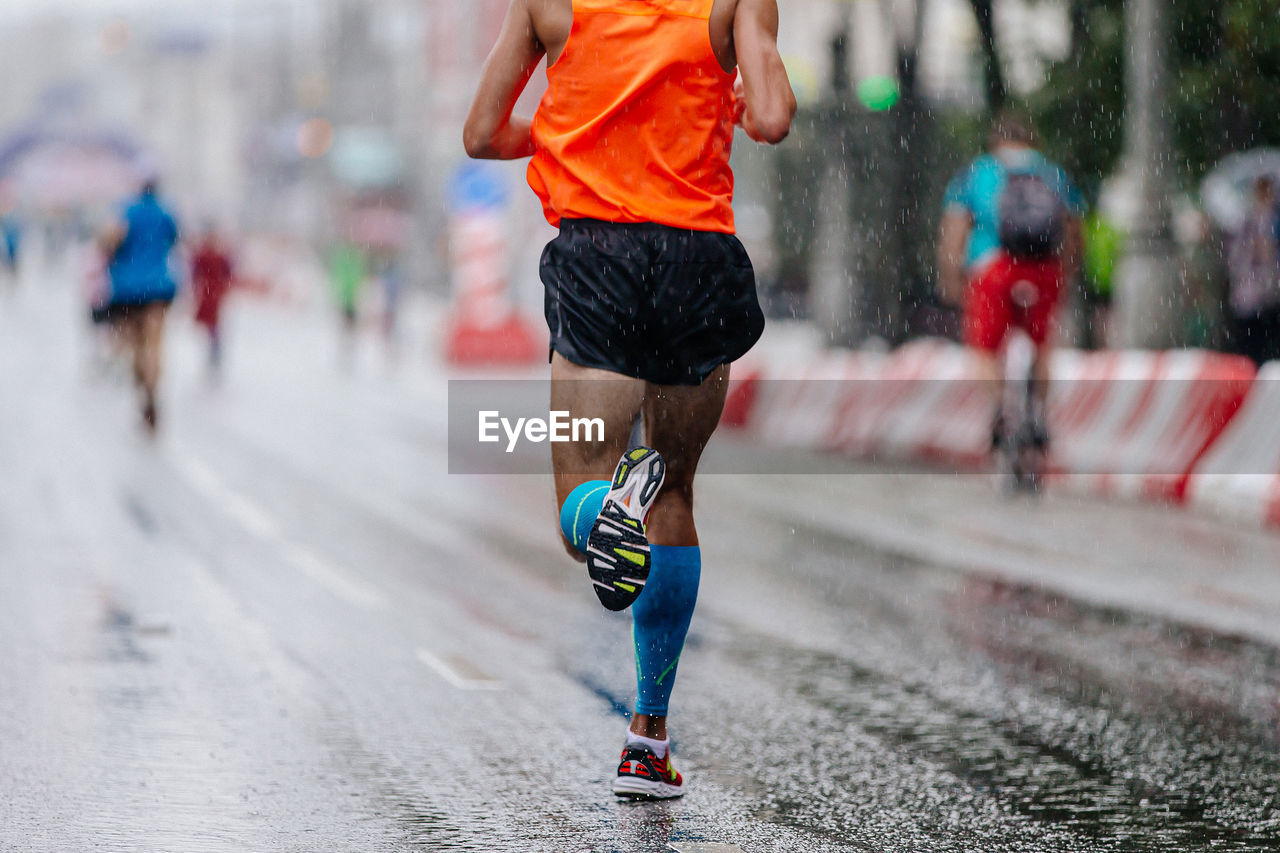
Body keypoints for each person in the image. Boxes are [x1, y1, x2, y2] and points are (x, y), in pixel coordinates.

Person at [465, 0, 795, 800]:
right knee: (675, 491)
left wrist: (560, 135)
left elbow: (482, 133)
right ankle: (648, 740)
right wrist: (745, 98)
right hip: (699, 260)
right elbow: (776, 116)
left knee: (580, 496)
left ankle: (605, 502)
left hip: (598, 256)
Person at [937, 112, 1085, 451]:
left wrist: (951, 276)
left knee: (984, 350)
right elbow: (1074, 228)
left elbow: (954, 230)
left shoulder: (978, 172)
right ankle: (1038, 416)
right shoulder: (1052, 173)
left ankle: (1001, 411)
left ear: (995, 141)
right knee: (1042, 345)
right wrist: (1067, 269)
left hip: (993, 269)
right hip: (1044, 270)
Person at [101, 178, 180, 433]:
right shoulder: (166, 212)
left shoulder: (126, 210)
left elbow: (109, 241)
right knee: (154, 344)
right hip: (158, 287)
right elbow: (174, 241)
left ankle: (140, 383)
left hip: (127, 289)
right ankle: (152, 387)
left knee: (134, 343)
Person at [1225, 175, 1280, 366]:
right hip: (1250, 294)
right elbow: (1236, 258)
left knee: (1266, 346)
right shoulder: (1246, 221)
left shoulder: (1274, 219)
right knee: (1252, 346)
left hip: (1269, 293)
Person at [190, 226, 235, 374]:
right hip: (211, 293)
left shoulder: (207, 255)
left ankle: (214, 351)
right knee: (213, 324)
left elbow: (195, 274)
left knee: (213, 324)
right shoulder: (212, 256)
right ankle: (214, 350)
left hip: (211, 293)